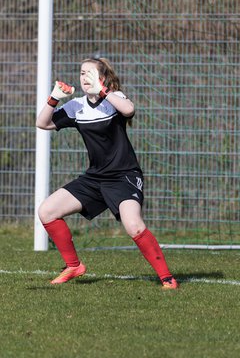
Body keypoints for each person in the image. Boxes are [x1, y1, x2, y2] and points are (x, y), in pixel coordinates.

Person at [36, 57, 179, 289]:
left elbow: (129, 109)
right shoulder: (76, 106)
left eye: (90, 74)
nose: (84, 78)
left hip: (124, 176)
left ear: (101, 78)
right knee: (47, 211)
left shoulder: (114, 98)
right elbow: (42, 123)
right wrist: (53, 99)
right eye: (82, 73)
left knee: (134, 225)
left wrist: (103, 92)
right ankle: (74, 266)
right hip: (94, 179)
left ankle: (167, 278)